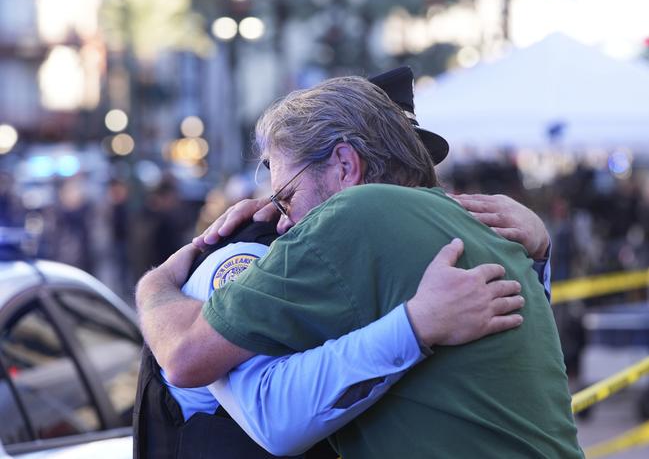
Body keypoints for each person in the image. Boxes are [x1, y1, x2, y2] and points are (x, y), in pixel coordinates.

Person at [137, 73, 582, 457]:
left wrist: (156, 283)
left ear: (346, 166)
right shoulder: (489, 228)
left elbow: (186, 359)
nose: (285, 221)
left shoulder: (357, 212)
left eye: (286, 196)